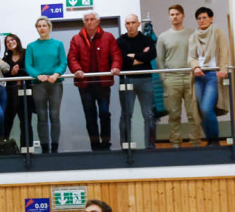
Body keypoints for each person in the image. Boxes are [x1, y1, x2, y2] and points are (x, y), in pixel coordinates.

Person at [67, 11, 120, 151]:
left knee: (104, 113)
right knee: (90, 116)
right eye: (86, 20)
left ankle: (106, 143)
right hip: (85, 85)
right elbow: (72, 58)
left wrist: (115, 67)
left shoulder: (108, 37)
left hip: (103, 83)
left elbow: (116, 55)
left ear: (98, 21)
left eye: (92, 19)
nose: (89, 22)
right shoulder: (76, 39)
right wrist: (77, 70)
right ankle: (95, 146)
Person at [188, 6, 231, 146]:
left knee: (207, 108)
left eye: (204, 17)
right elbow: (191, 57)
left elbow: (224, 52)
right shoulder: (193, 36)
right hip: (199, 76)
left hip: (213, 75)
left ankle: (214, 140)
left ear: (211, 18)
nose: (201, 20)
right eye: (199, 18)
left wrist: (223, 69)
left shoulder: (218, 32)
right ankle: (209, 140)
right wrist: (195, 67)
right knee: (201, 110)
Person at [156, 5, 197, 146]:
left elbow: (197, 54)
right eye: (172, 14)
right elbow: (160, 60)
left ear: (183, 15)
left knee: (193, 114)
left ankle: (195, 143)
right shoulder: (163, 37)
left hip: (190, 77)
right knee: (174, 114)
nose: (174, 17)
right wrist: (164, 78)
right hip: (172, 79)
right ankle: (176, 143)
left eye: (177, 14)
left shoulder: (192, 34)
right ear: (169, 17)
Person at [26, 17, 68, 154]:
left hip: (55, 83)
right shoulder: (31, 46)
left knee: (55, 116)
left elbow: (63, 62)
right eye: (39, 26)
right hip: (39, 85)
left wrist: (56, 74)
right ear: (36, 28)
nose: (42, 28)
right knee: (41, 116)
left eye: (44, 25)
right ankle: (45, 148)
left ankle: (55, 147)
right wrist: (37, 75)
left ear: (49, 27)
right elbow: (28, 65)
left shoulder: (58, 44)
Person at [116, 14, 158, 150]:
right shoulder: (120, 41)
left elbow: (151, 55)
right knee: (126, 114)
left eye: (133, 22)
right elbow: (122, 60)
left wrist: (133, 56)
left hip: (145, 79)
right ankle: (126, 145)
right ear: (125, 25)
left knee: (149, 114)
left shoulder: (146, 39)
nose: (130, 25)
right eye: (128, 23)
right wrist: (142, 57)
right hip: (127, 80)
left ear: (138, 24)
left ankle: (150, 145)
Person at [2, 33, 30, 152]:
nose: (10, 42)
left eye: (12, 40)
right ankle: (4, 148)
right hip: (10, 92)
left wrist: (18, 73)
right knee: (8, 120)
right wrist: (12, 74)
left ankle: (26, 148)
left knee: (25, 121)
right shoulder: (5, 59)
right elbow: (3, 75)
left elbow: (31, 68)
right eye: (7, 42)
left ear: (17, 40)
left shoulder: (27, 53)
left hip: (25, 91)